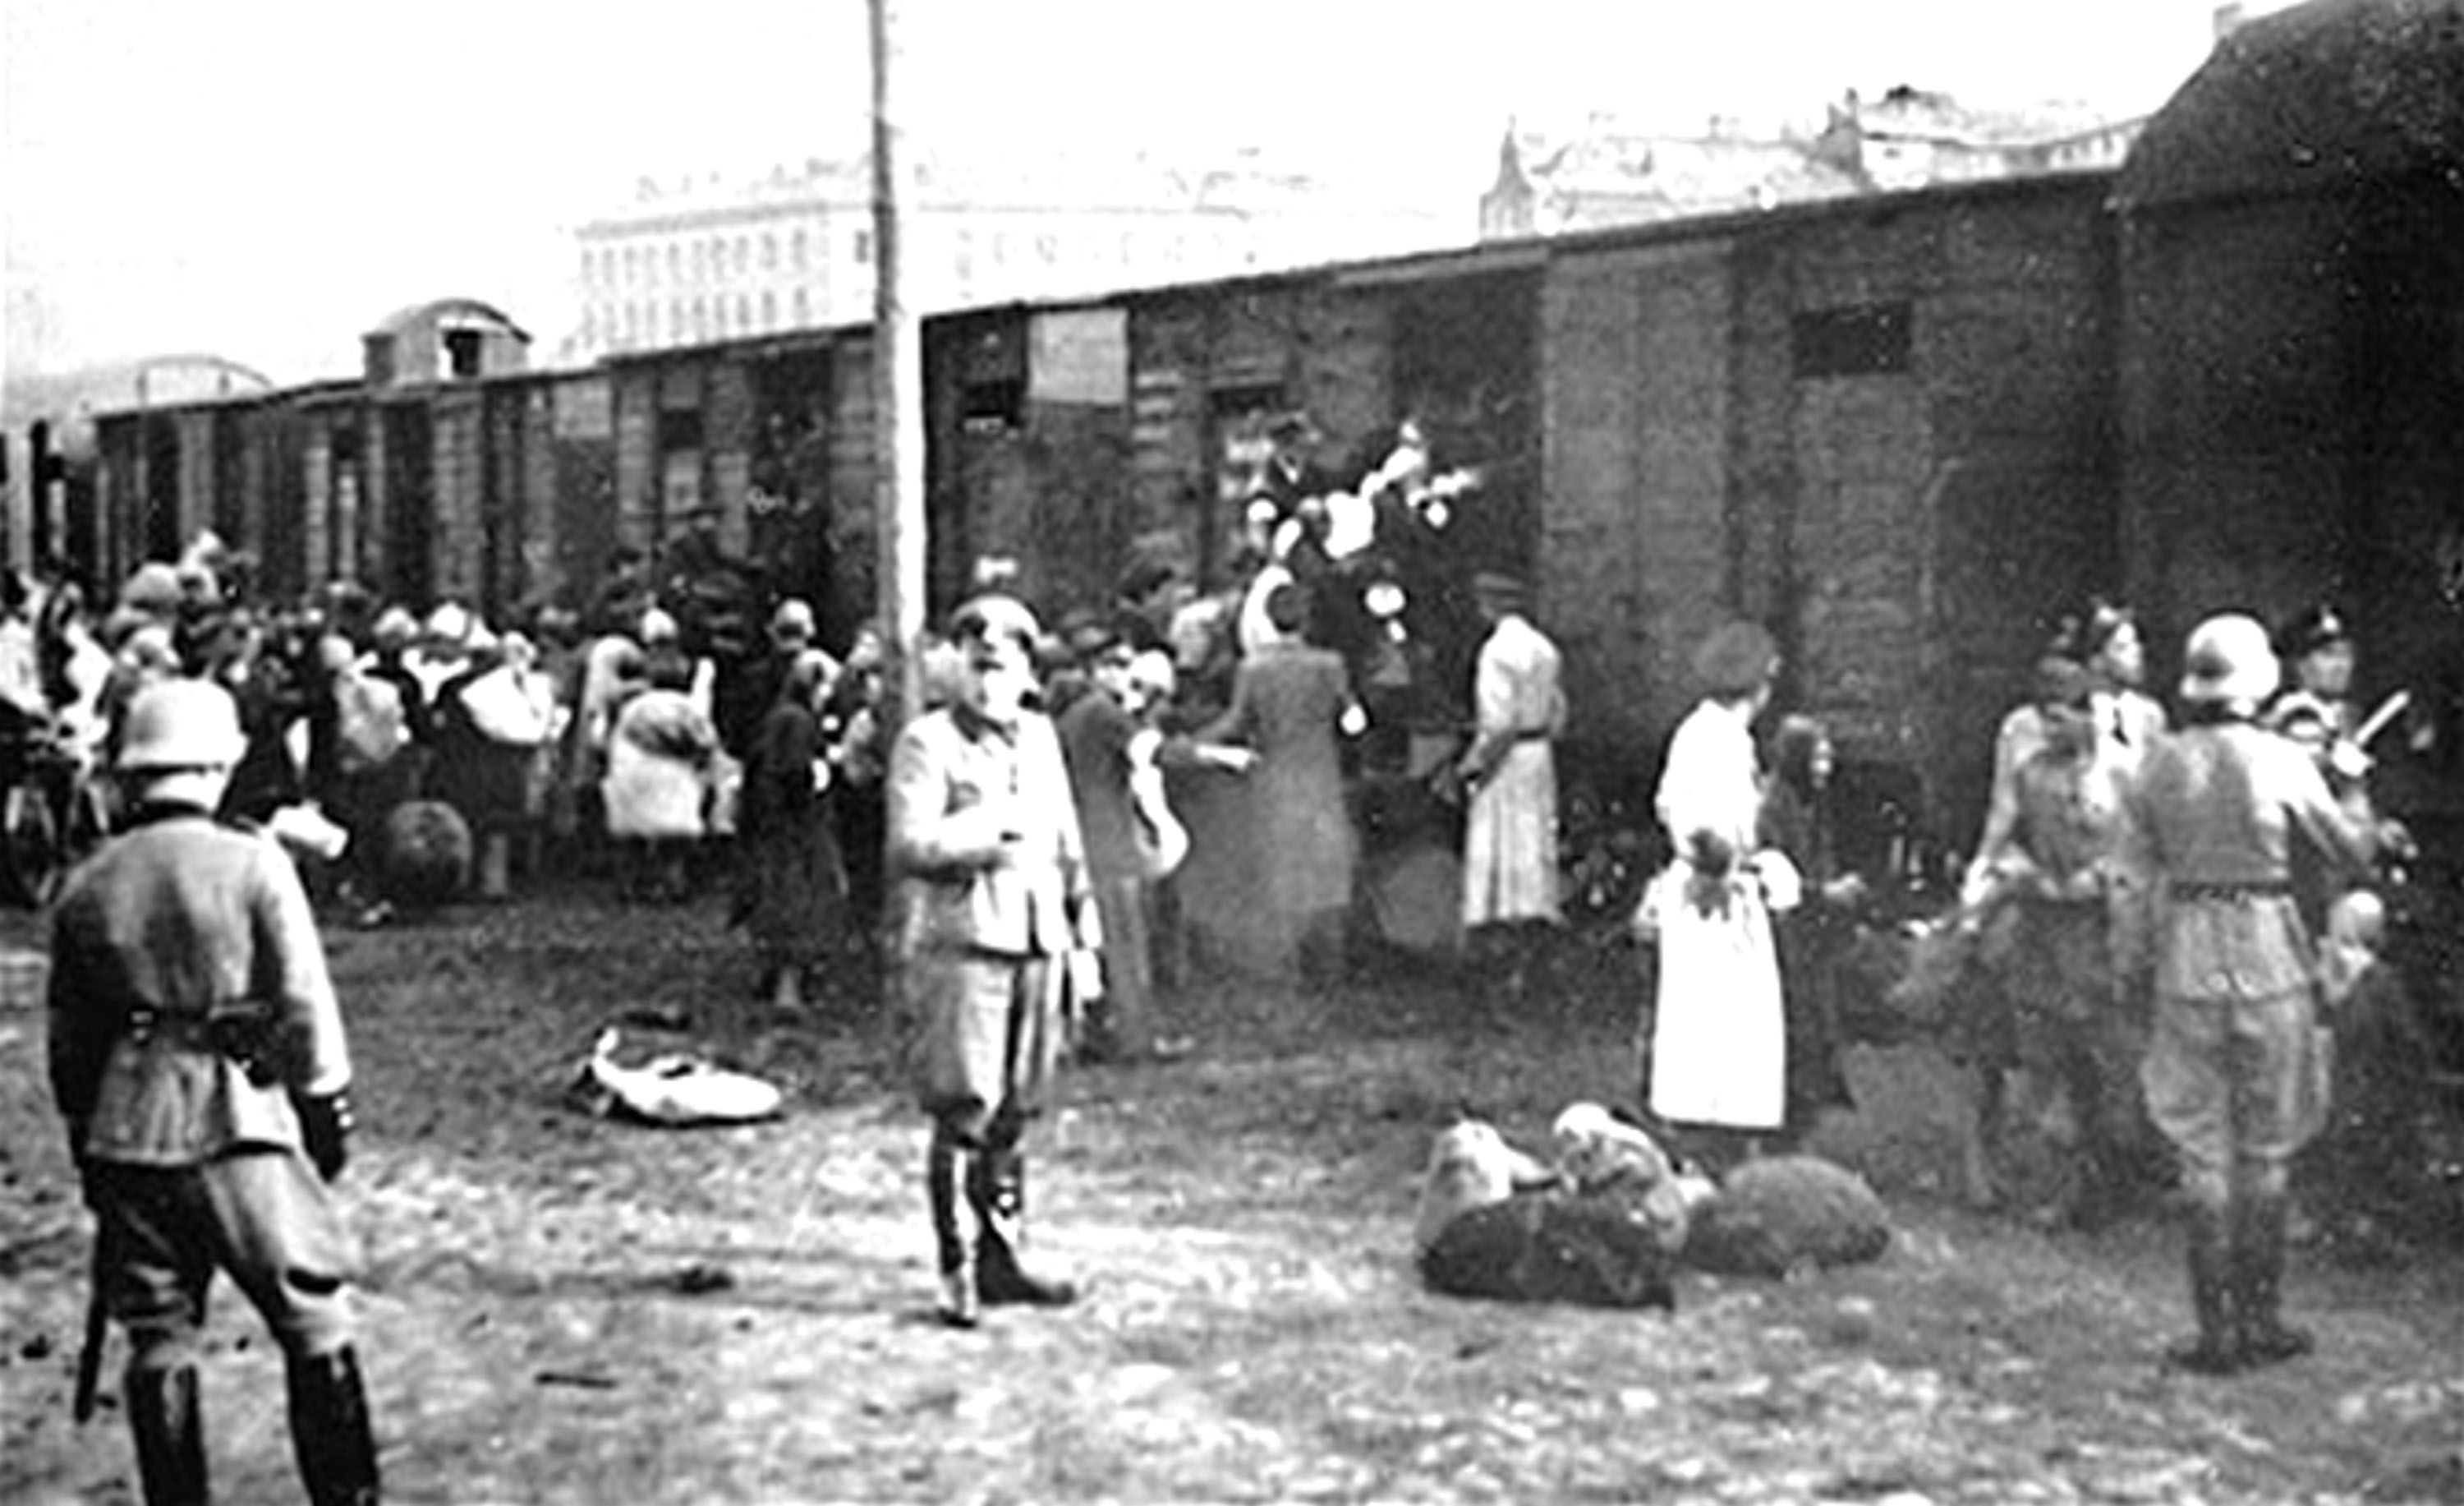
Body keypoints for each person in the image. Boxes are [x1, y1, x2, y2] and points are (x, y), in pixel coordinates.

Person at [46, 679, 380, 1505]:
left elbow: (71, 1041)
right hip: (239, 1119)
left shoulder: (88, 882)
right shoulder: (253, 862)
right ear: (217, 764)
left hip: (128, 1126)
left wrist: (87, 1131)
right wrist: (323, 1104)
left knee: (159, 1338)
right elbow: (302, 1002)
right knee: (312, 1316)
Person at [2120, 613, 2382, 1375]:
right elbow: (2352, 850)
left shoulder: (2157, 764)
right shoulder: (2279, 759)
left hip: (2189, 950)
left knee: (2202, 1151)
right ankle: (2262, 1319)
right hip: (2267, 949)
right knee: (2267, 1150)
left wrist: (2133, 973)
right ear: (2257, 683)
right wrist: (2356, 782)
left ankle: (2215, 1333)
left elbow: (2130, 885)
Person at [887, 593, 1099, 1329]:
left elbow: (1070, 845)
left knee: (1018, 1106)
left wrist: (1086, 942)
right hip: (966, 944)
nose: (987, 684)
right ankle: (955, 1271)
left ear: (1025, 672)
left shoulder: (1041, 737)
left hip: (1040, 941)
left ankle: (1001, 1256)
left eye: (1002, 668)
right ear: (956, 669)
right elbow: (908, 845)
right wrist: (985, 831)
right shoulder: (928, 741)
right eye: (975, 668)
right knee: (963, 1106)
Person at [1963, 658, 2142, 1227]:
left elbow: (2141, 855)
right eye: (2045, 720)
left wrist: (2106, 879)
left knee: (2107, 1064)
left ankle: (2109, 1184)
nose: (2052, 731)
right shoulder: (2033, 774)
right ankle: (2056, 1187)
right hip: (2043, 935)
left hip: (2101, 936)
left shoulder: (2122, 775)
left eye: (2062, 718)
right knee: (2045, 1064)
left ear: (2091, 714)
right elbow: (2007, 840)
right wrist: (2017, 873)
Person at [1643, 620, 1787, 1163]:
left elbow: (1668, 804)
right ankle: (1713, 1137)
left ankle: (1712, 1131)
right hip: (1712, 892)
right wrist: (1724, 867)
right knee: (1721, 1015)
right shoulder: (1720, 740)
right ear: (1761, 684)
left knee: (1707, 1013)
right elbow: (1703, 825)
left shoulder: (1701, 731)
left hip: (1705, 883)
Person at [1196, 582, 1363, 987]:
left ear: (1269, 619)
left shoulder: (1254, 668)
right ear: (1307, 619)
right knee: (1325, 868)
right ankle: (1330, 966)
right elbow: (1353, 718)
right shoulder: (1330, 664)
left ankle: (1287, 967)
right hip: (1320, 774)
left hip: (1276, 775)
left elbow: (1236, 723)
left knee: (1281, 865)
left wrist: (1198, 741)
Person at [1454, 570, 1565, 1006]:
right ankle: (1532, 958)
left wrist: (1474, 767)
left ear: (1489, 606)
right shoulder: (1544, 649)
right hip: (1539, 756)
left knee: (1498, 852)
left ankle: (1500, 966)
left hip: (1509, 761)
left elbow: (1498, 725)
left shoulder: (1496, 653)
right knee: (1532, 851)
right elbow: (1558, 711)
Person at [1756, 713, 1864, 1144]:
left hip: (1811, 935)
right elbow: (1777, 873)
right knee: (1795, 1029)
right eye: (1818, 757)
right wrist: (1827, 893)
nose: (1826, 767)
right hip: (1787, 936)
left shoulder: (1811, 803)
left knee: (1817, 1028)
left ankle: (1802, 1122)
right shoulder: (1775, 807)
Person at [738, 648, 849, 1011]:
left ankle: (772, 980)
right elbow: (794, 774)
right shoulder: (797, 721)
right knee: (796, 907)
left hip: (777, 828)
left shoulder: (782, 717)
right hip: (796, 830)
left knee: (781, 905)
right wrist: (825, 769)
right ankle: (789, 990)